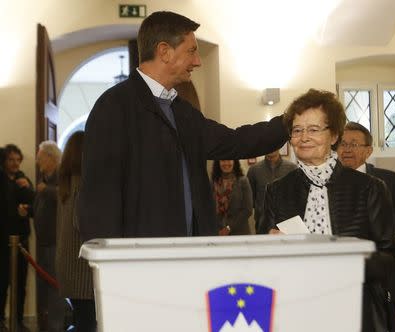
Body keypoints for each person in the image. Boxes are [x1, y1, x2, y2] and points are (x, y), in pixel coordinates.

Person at [78, 11, 288, 241]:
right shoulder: (114, 107)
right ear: (164, 51)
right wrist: (111, 264)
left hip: (191, 257)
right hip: (140, 263)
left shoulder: (182, 112)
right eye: (191, 51)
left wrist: (290, 123)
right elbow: (98, 199)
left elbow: (234, 141)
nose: (197, 61)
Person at [258, 89, 395, 332]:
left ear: (334, 135)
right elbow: (262, 256)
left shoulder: (370, 188)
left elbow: (389, 258)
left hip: (355, 307)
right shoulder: (276, 191)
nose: (303, 137)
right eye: (297, 130)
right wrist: (271, 247)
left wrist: (343, 260)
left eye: (313, 129)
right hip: (296, 308)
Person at [337, 121, 395, 332]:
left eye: (353, 144)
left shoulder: (389, 180)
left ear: (368, 150)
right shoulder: (328, 182)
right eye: (342, 144)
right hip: (340, 273)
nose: (346, 149)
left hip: (382, 272)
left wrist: (378, 229)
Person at [55, 131, 96, 332]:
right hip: (83, 274)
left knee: (82, 320)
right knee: (87, 323)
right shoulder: (84, 185)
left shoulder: (66, 184)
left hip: (69, 269)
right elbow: (85, 225)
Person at [26, 141, 66, 332]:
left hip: (55, 243)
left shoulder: (61, 175)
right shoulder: (44, 178)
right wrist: (29, 210)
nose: (37, 161)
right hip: (44, 242)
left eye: (40, 157)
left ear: (51, 158)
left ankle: (57, 325)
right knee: (45, 286)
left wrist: (47, 191)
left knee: (55, 287)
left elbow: (65, 197)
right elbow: (41, 208)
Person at [0, 144, 34, 332]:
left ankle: (18, 320)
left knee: (20, 285)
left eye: (17, 160)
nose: (14, 163)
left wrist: (27, 208)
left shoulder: (23, 180)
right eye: (10, 159)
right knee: (1, 283)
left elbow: (35, 205)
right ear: (4, 160)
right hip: (2, 241)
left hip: (21, 241)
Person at [247, 150, 296, 231]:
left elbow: (296, 197)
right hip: (262, 223)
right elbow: (251, 198)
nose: (271, 147)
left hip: (287, 222)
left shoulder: (292, 168)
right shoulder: (254, 170)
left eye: (274, 143)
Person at [211, 160, 252, 235]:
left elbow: (247, 210)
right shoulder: (213, 182)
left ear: (234, 162)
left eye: (229, 160)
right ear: (218, 162)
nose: (226, 163)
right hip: (218, 232)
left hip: (239, 233)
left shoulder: (243, 181)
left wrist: (229, 228)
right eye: (223, 160)